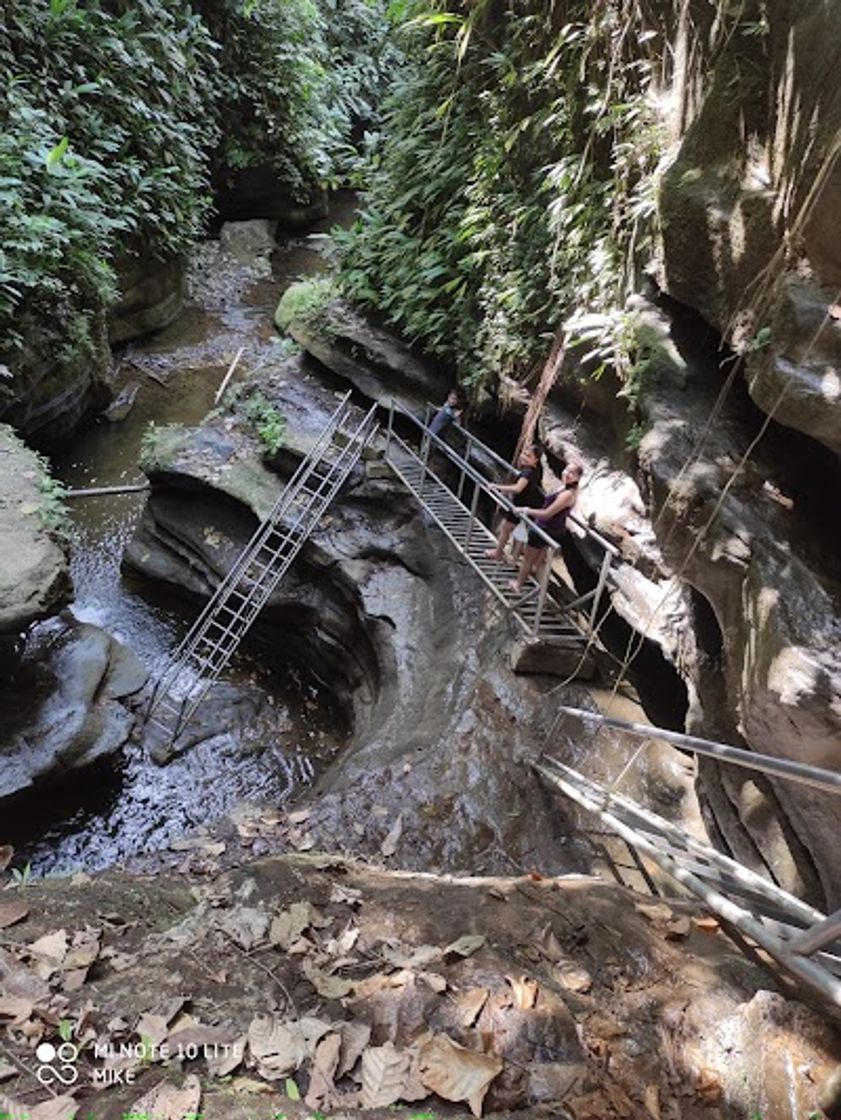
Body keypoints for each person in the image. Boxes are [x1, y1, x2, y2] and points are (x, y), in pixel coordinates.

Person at [509, 461, 583, 592]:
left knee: (528, 558)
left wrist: (526, 510)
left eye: (572, 473)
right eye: (566, 470)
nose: (567, 474)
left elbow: (547, 514)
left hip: (546, 528)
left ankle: (518, 584)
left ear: (578, 478)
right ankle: (541, 590)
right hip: (552, 528)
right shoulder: (566, 488)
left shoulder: (567, 494)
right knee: (539, 563)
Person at [485, 441, 544, 562]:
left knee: (506, 529)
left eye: (529, 456)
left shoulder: (528, 471)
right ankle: (513, 557)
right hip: (527, 505)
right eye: (524, 453)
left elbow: (518, 488)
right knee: (519, 532)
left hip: (520, 506)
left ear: (536, 460)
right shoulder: (536, 471)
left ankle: (498, 553)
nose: (524, 457)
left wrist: (498, 487)